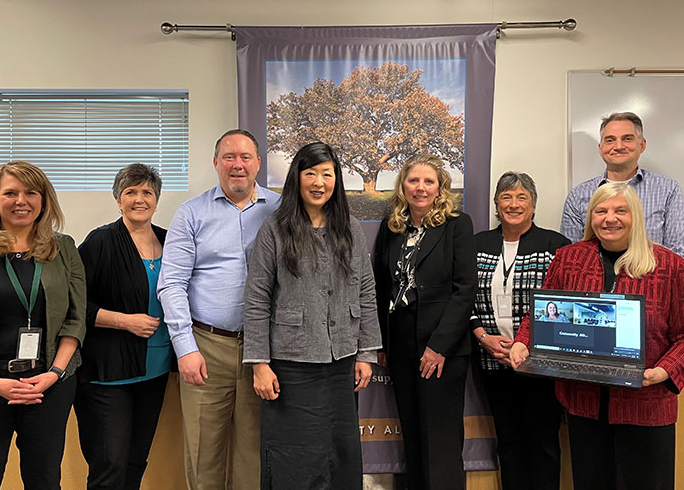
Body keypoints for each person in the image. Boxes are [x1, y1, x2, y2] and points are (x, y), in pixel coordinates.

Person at [511, 183, 684, 490]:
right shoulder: (568, 258)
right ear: (591, 218)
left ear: (636, 217)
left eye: (620, 210)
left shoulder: (669, 266)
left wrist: (663, 371)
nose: (609, 218)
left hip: (646, 406)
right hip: (584, 405)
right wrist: (523, 342)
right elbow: (542, 316)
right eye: (600, 211)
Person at [243, 142, 382, 490]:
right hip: (291, 365)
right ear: (297, 178)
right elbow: (257, 298)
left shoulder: (349, 226)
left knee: (340, 453)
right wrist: (259, 363)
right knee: (294, 455)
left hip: (341, 363)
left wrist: (366, 353)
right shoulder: (275, 229)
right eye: (311, 173)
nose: (319, 182)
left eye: (327, 173)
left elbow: (366, 291)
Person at [0, 161, 86, 489]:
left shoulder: (63, 248)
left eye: (30, 192)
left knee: (45, 479)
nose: (21, 200)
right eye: (11, 193)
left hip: (47, 387)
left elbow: (75, 319)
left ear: (43, 200)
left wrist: (54, 374)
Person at [157, 129, 280, 489]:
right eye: (229, 157)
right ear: (216, 163)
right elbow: (171, 284)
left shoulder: (280, 210)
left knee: (254, 458)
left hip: (264, 352)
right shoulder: (191, 213)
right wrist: (186, 348)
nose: (237, 165)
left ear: (258, 163)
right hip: (206, 348)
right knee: (203, 455)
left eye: (245, 157)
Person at [373, 153, 477, 490]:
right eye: (413, 180)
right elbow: (380, 285)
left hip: (441, 347)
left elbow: (465, 291)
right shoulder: (392, 226)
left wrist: (438, 346)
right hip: (401, 343)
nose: (420, 188)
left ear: (440, 187)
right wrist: (383, 344)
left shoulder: (457, 225)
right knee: (413, 434)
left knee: (440, 440)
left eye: (428, 181)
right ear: (403, 185)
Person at [470, 171, 570, 490]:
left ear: (534, 205)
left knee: (543, 445)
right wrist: (483, 339)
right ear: (497, 205)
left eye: (521, 197)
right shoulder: (477, 245)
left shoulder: (556, 246)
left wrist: (526, 345)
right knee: (508, 443)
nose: (514, 204)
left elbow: (564, 307)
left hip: (540, 366)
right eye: (506, 197)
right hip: (493, 363)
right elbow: (463, 299)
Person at [75, 163, 172, 489]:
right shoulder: (101, 242)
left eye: (147, 192)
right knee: (109, 464)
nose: (139, 199)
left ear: (157, 199)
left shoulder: (170, 241)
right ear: (118, 199)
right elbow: (73, 305)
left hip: (155, 371)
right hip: (107, 374)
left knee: (135, 460)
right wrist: (124, 321)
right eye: (131, 192)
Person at [560, 111, 684, 264]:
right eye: (610, 140)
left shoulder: (668, 190)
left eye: (627, 139)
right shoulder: (578, 195)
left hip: (650, 284)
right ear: (601, 147)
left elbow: (680, 256)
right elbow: (571, 258)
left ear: (642, 145)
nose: (618, 146)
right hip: (595, 286)